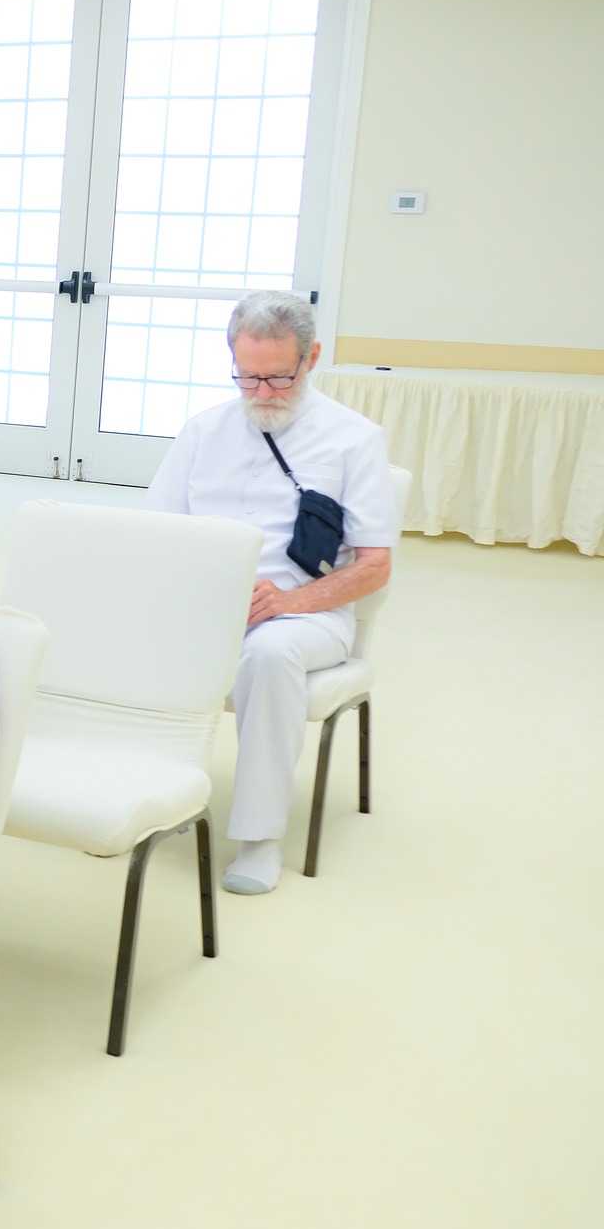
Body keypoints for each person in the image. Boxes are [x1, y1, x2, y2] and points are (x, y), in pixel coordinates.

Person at [145, 290, 398, 895]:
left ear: (310, 359)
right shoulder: (204, 431)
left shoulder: (352, 439)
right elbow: (154, 531)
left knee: (269, 653)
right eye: (247, 377)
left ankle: (259, 838)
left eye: (279, 377)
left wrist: (287, 603)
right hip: (207, 606)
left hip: (305, 615)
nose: (261, 393)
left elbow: (374, 565)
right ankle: (148, 796)